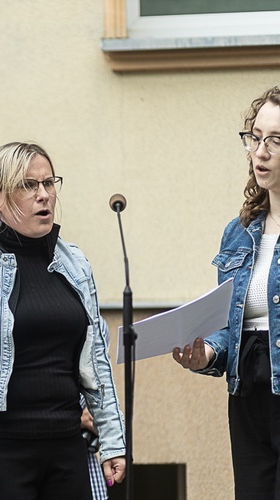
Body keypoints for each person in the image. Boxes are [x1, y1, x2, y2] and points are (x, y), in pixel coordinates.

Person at [0, 141, 127, 498]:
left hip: (66, 447)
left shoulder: (76, 262)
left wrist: (112, 440)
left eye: (49, 183)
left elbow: (97, 359)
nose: (44, 196)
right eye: (28, 185)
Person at [173, 85, 280, 499]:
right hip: (248, 395)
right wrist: (209, 353)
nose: (260, 151)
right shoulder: (238, 233)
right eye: (255, 137)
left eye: (274, 140)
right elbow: (230, 325)